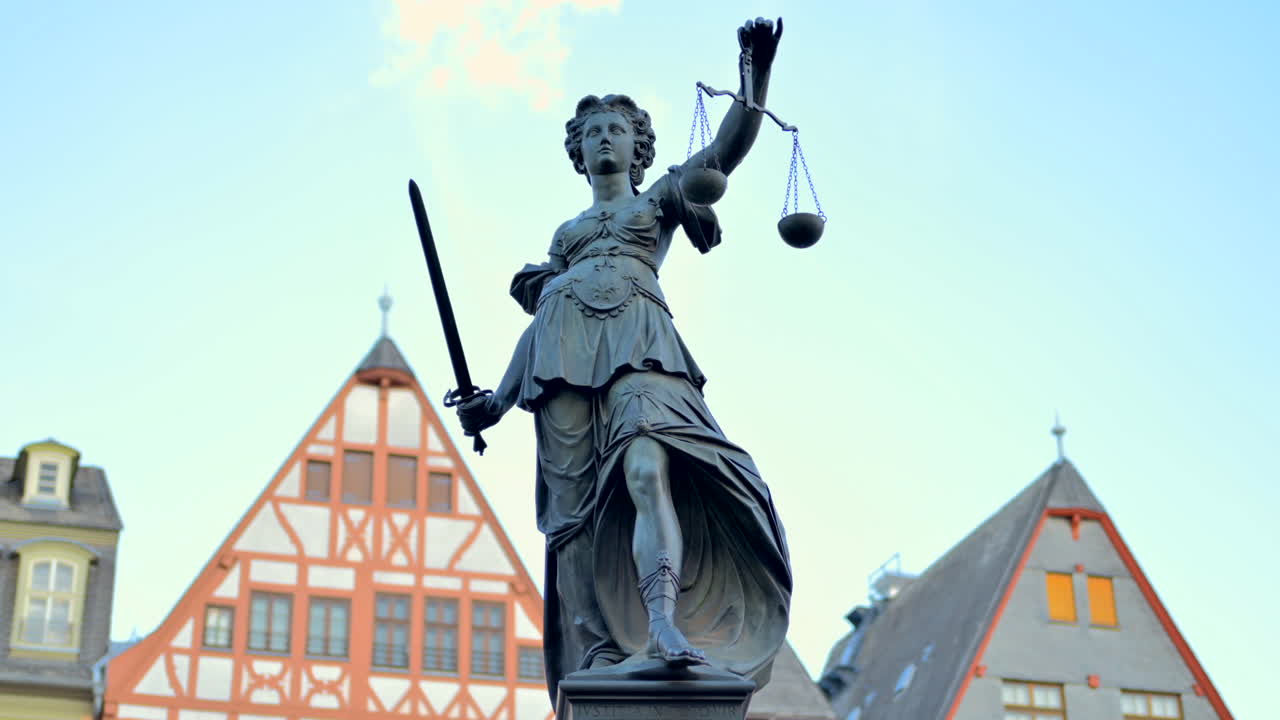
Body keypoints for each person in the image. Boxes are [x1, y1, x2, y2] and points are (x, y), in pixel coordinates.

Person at [456, 18, 792, 700]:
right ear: (578, 154)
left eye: (616, 129)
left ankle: (664, 622)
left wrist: (754, 77)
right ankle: (601, 652)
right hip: (561, 361)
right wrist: (494, 400)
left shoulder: (659, 199)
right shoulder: (565, 238)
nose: (603, 137)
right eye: (591, 132)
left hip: (640, 344)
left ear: (637, 149)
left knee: (649, 462)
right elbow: (546, 319)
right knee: (575, 521)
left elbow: (724, 153)